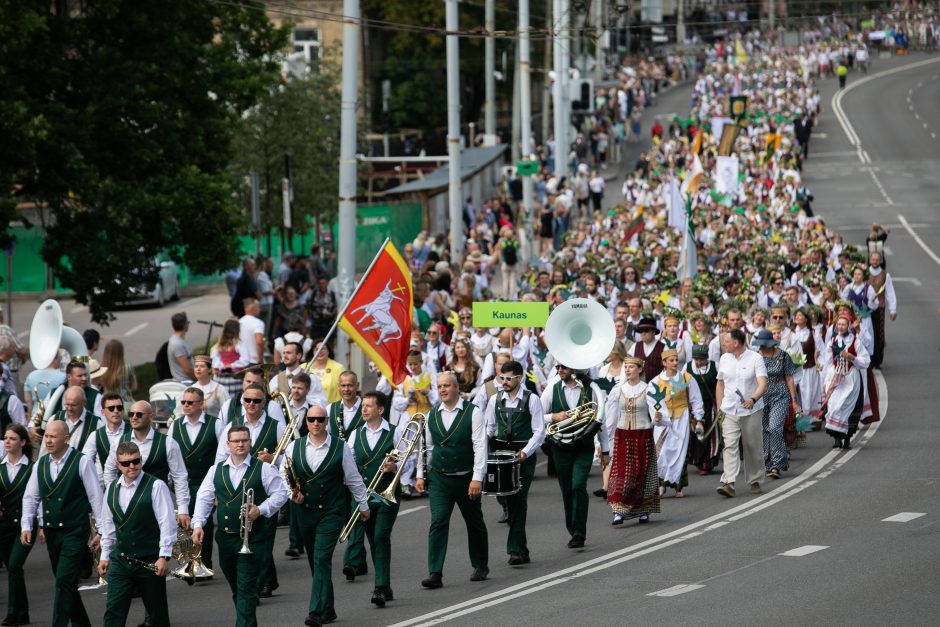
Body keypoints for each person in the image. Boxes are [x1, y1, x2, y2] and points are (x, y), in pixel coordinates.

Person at [192, 425, 288, 627]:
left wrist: (260, 510)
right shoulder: (216, 470)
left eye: (244, 440)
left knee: (245, 589)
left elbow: (281, 494)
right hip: (226, 539)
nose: (241, 444)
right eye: (236, 441)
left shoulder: (264, 468)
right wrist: (198, 524)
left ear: (250, 443)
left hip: (253, 540)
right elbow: (204, 497)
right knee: (238, 590)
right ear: (228, 444)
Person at [282, 405, 369, 627]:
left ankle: (316, 612)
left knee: (321, 558)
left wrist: (363, 504)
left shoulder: (341, 448)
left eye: (320, 419)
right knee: (315, 561)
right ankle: (329, 609)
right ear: (306, 422)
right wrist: (292, 493)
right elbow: (284, 475)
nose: (316, 423)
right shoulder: (294, 447)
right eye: (312, 419)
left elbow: (353, 478)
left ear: (326, 420)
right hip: (304, 512)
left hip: (332, 511)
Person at [20, 420, 104, 627]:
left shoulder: (82, 462)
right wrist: (26, 525)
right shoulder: (40, 464)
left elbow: (96, 498)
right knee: (63, 581)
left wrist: (102, 531)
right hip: (51, 532)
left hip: (75, 530)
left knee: (64, 580)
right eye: (46, 436)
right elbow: (31, 497)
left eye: (53, 436)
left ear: (65, 438)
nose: (47, 440)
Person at [417, 372, 488, 589]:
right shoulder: (431, 415)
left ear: (457, 387)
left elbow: (480, 446)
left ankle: (480, 564)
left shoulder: (473, 412)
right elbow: (425, 447)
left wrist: (477, 478)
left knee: (474, 522)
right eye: (439, 386)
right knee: (438, 522)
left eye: (447, 385)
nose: (443, 390)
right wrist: (421, 474)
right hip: (440, 478)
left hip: (466, 477)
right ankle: (435, 572)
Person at [215, 383, 286, 599]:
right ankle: (267, 579)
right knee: (246, 537)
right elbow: (220, 458)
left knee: (263, 537)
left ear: (264, 403)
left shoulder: (276, 426)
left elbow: (289, 459)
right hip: (237, 487)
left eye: (256, 401)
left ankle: (262, 582)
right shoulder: (232, 427)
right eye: (247, 400)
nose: (251, 404)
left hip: (266, 486)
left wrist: (274, 458)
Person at [97, 441, 176, 627]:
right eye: (126, 463)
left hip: (149, 560)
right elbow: (108, 527)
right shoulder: (111, 489)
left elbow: (167, 523)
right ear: (118, 465)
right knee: (113, 610)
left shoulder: (156, 486)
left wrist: (164, 556)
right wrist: (104, 556)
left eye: (136, 461)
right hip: (121, 561)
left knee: (157, 614)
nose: (132, 466)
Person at [342, 392, 406, 608]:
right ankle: (385, 586)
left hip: (387, 495)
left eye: (369, 406)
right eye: (363, 406)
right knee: (373, 540)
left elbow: (409, 458)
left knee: (380, 536)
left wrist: (395, 467)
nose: (364, 410)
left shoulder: (395, 432)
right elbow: (349, 464)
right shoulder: (355, 435)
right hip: (363, 496)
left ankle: (380, 587)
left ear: (380, 410)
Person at [483, 361, 545, 565]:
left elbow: (539, 431)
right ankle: (522, 548)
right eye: (502, 378)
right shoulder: (494, 400)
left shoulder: (532, 399)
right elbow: (490, 427)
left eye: (509, 378)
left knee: (519, 501)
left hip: (522, 457)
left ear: (519, 379)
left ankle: (515, 550)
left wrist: (526, 452)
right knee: (509, 502)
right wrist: (481, 448)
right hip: (501, 455)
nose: (504, 382)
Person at [540, 364, 608, 549]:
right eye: (557, 366)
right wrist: (553, 416)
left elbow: (601, 418)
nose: (559, 370)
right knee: (567, 490)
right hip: (560, 447)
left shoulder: (591, 389)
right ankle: (572, 527)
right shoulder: (553, 388)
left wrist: (606, 450)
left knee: (578, 485)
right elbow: (537, 414)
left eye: (563, 367)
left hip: (583, 446)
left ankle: (579, 532)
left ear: (575, 368)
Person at [102, 401, 191, 529]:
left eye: (139, 414)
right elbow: (109, 470)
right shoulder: (118, 442)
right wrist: (114, 496)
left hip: (157, 504)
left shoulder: (168, 443)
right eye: (131, 414)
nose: (134, 417)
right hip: (126, 502)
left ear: (151, 416)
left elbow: (180, 477)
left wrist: (183, 509)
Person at [169, 387, 225, 572]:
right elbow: (170, 454)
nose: (185, 405)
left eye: (190, 402)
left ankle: (204, 562)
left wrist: (217, 485)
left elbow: (221, 456)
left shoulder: (215, 424)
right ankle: (190, 562)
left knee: (204, 524)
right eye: (183, 402)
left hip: (205, 482)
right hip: (184, 483)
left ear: (201, 404)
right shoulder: (175, 425)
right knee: (185, 525)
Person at [603, 357, 659, 524]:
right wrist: (606, 441)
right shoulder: (618, 390)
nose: (627, 370)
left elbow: (656, 413)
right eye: (626, 367)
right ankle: (619, 511)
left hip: (642, 434)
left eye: (631, 367)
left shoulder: (648, 389)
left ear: (640, 370)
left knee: (641, 472)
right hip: (623, 435)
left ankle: (643, 510)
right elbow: (611, 418)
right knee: (621, 472)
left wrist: (658, 417)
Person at [715, 329, 768, 497]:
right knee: (729, 445)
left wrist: (753, 399)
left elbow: (762, 383)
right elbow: (720, 384)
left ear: (736, 343)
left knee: (752, 446)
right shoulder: (724, 359)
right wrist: (719, 408)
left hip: (751, 410)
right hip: (729, 409)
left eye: (726, 342)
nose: (724, 344)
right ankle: (728, 482)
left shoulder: (755, 358)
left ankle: (755, 479)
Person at [647, 348, 704, 497]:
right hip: (664, 421)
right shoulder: (656, 381)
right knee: (662, 452)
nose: (674, 363)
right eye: (671, 361)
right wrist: (657, 415)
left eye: (676, 360)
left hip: (682, 418)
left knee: (680, 452)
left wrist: (698, 419)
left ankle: (679, 486)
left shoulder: (686, 378)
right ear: (664, 363)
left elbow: (696, 400)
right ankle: (661, 484)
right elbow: (653, 401)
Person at [0, 425, 34, 626]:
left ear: (22, 442)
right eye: (5, 438)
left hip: (25, 525)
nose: (7, 441)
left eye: (13, 438)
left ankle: (13, 612)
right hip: (4, 526)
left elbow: (37, 497)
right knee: (14, 569)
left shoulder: (31, 467)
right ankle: (23, 612)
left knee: (14, 565)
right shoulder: (1, 468)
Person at [820, 311, 870, 449]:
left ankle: (846, 438)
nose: (841, 327)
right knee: (834, 406)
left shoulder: (856, 341)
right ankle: (837, 438)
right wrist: (827, 379)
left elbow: (866, 361)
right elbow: (828, 361)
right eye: (839, 324)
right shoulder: (833, 341)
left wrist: (852, 358)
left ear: (848, 326)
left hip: (851, 378)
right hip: (836, 378)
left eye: (843, 324)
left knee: (848, 407)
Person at [754, 329, 799, 479]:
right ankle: (767, 463)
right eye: (760, 345)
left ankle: (777, 463)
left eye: (763, 345)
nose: (761, 347)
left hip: (780, 395)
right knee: (764, 430)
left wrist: (794, 401)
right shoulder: (756, 357)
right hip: (762, 397)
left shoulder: (783, 356)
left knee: (774, 428)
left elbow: (789, 378)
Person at [35, 360, 103, 438]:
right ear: (69, 377)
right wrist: (32, 427)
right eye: (80, 376)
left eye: (85, 375)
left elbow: (102, 423)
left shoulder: (96, 396)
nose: (84, 378)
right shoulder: (53, 393)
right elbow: (40, 412)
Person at [685, 344, 721, 475]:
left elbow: (721, 384)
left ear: (707, 357)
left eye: (701, 359)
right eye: (696, 359)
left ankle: (708, 462)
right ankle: (698, 460)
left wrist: (720, 404)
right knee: (697, 434)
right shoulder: (687, 368)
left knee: (711, 434)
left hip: (711, 405)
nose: (699, 362)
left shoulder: (715, 366)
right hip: (694, 406)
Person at [217, 367, 286, 426]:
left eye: (255, 383)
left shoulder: (272, 406)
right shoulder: (228, 405)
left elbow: (281, 432)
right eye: (248, 381)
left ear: (262, 384)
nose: (250, 385)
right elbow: (221, 432)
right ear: (243, 381)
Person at [268, 342, 327, 410]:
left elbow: (322, 403)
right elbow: (272, 403)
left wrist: (301, 397)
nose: (285, 356)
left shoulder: (311, 378)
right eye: (284, 353)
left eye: (288, 353)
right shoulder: (276, 379)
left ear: (298, 356)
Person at [82, 392, 128, 480]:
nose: (116, 411)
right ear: (103, 412)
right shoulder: (95, 435)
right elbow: (85, 463)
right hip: (103, 488)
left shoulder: (133, 431)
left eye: (119, 407)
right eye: (111, 408)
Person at [46, 386, 101, 456]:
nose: (69, 408)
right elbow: (44, 450)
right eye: (67, 404)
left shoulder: (96, 423)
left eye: (73, 405)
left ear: (84, 403)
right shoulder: (54, 419)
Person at [211, 319, 250, 397]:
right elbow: (245, 360)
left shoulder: (219, 344)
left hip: (222, 377)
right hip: (234, 378)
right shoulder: (238, 343)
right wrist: (230, 365)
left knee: (224, 399)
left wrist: (223, 366)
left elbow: (215, 359)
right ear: (237, 330)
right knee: (233, 400)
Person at [96, 339, 137, 404]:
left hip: (108, 404)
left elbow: (97, 387)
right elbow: (134, 387)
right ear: (121, 352)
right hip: (127, 403)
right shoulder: (128, 367)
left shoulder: (101, 369)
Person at [629, 317, 665, 382]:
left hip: (658, 386)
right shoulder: (635, 346)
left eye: (646, 330)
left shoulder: (663, 347)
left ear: (653, 332)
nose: (643, 333)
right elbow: (628, 366)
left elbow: (666, 369)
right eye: (641, 331)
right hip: (638, 386)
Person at [168, 312, 196, 383]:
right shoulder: (177, 344)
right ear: (185, 325)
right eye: (188, 322)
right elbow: (188, 370)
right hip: (185, 383)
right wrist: (200, 379)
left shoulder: (179, 340)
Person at [239, 298, 266, 366]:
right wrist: (260, 359)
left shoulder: (238, 322)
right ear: (252, 308)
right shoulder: (258, 323)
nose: (260, 309)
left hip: (240, 360)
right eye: (258, 307)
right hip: (254, 361)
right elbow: (259, 342)